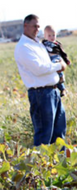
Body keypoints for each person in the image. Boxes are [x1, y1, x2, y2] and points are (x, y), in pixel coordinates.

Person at [14, 14, 67, 146]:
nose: (37, 29)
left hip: (53, 92)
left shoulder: (38, 43)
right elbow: (39, 69)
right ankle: (40, 164)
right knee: (44, 136)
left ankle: (57, 164)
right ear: (25, 26)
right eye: (34, 26)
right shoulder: (24, 47)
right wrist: (59, 65)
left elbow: (49, 59)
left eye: (39, 26)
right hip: (41, 94)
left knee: (59, 133)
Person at [42, 25, 71, 97]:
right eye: (49, 36)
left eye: (53, 35)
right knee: (53, 73)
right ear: (45, 36)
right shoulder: (43, 44)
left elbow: (63, 53)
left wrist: (66, 60)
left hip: (56, 58)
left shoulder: (57, 44)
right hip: (48, 59)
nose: (52, 37)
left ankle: (62, 88)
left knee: (57, 69)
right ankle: (56, 86)